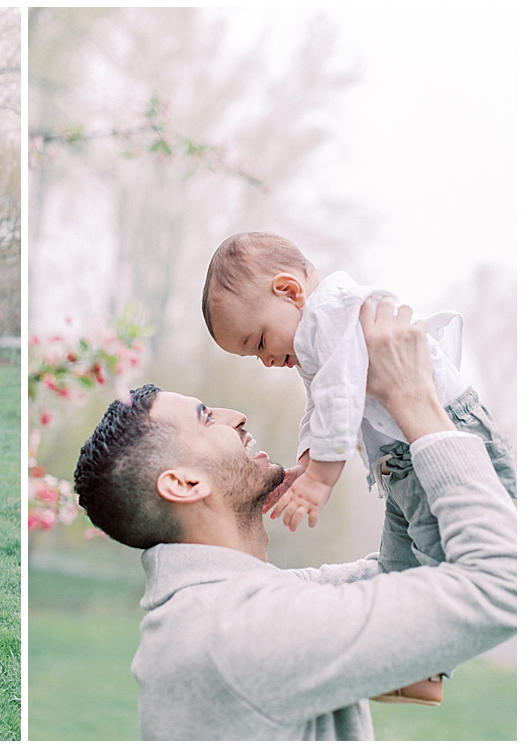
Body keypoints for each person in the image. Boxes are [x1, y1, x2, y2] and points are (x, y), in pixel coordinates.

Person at [72, 297, 516, 740]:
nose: (235, 415)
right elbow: (501, 584)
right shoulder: (242, 632)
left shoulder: (223, 609)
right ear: (185, 485)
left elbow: (402, 576)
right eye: (206, 418)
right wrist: (413, 401)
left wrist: (389, 440)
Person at [199, 232, 516, 554]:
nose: (266, 361)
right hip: (401, 460)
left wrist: (320, 479)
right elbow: (319, 406)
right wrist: (309, 463)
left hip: (446, 435)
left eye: (260, 342)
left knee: (461, 557)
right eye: (255, 356)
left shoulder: (330, 315)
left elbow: (339, 397)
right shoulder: (314, 339)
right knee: (402, 569)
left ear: (289, 291)